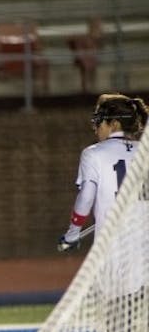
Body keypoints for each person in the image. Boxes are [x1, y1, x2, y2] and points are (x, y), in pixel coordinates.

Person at [58, 93, 148, 253]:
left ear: (114, 124)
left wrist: (72, 234)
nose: (96, 126)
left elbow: (86, 197)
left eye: (100, 120)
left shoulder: (93, 154)